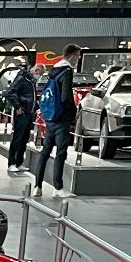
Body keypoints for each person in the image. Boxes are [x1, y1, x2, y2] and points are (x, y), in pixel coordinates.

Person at [33, 44, 82, 198]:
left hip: (50, 116)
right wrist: (72, 113)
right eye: (78, 56)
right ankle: (58, 188)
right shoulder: (67, 71)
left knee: (45, 151)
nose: (78, 59)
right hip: (61, 117)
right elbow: (65, 96)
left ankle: (37, 186)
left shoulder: (54, 70)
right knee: (61, 152)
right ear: (72, 55)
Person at [4, 60, 39, 174]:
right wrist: (17, 106)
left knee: (24, 139)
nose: (39, 75)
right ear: (35, 70)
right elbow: (10, 92)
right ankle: (12, 163)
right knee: (17, 138)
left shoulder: (30, 81)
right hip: (22, 113)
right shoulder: (22, 79)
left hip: (29, 113)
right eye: (39, 72)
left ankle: (19, 162)